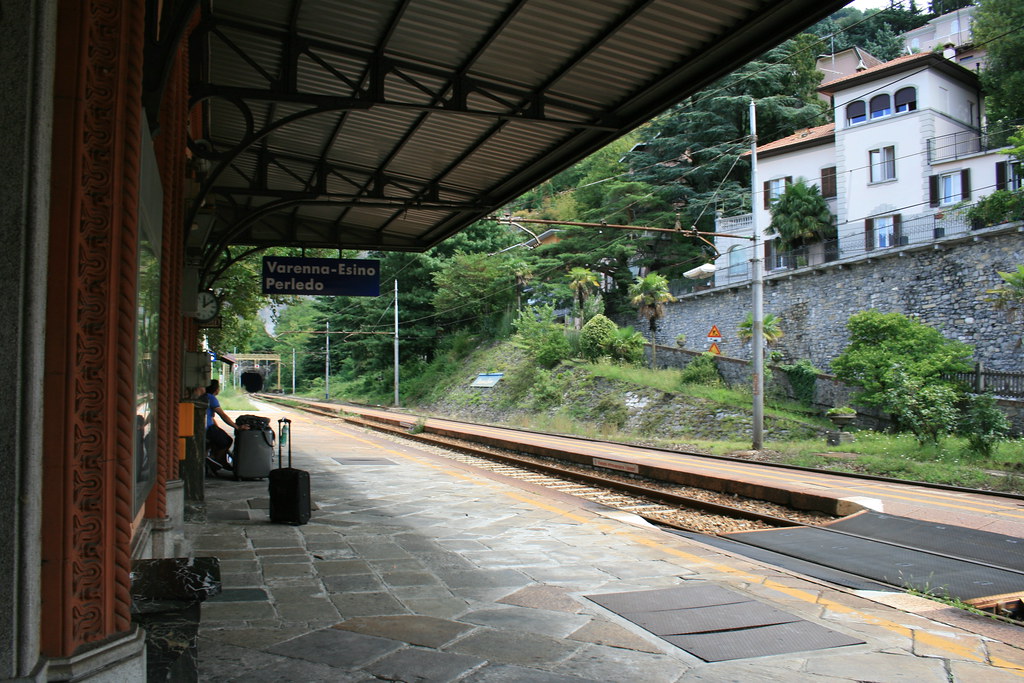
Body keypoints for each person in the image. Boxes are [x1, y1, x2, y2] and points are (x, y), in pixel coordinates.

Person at [205, 380, 246, 471]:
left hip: (207, 427)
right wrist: (237, 427)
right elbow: (223, 415)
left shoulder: (205, 397)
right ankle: (219, 460)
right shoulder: (211, 398)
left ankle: (212, 456)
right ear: (216, 390)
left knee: (219, 436)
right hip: (207, 429)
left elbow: (211, 418)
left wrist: (217, 428)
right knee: (227, 440)